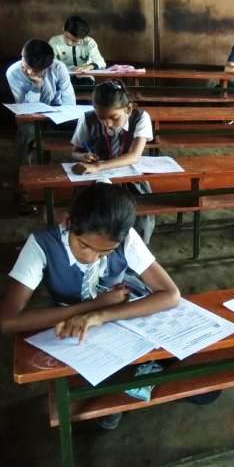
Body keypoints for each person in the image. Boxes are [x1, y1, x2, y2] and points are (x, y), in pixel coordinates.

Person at [0, 182, 181, 429]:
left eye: (105, 253)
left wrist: (101, 314)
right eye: (84, 245)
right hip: (71, 314)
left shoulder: (126, 237)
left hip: (118, 311)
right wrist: (92, 307)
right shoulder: (41, 244)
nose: (91, 257)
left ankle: (117, 395)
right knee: (66, 402)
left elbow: (171, 295)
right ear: (68, 222)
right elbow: (7, 322)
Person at [70, 81, 155, 243]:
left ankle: (135, 250)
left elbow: (134, 156)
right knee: (91, 217)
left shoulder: (141, 118)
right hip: (97, 180)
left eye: (114, 118)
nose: (107, 123)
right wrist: (83, 156)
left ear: (128, 109)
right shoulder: (87, 118)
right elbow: (74, 152)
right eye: (101, 118)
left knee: (140, 218)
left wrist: (98, 166)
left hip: (130, 179)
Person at [6, 39, 75, 214]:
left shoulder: (58, 68)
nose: (30, 72)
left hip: (58, 115)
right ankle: (25, 186)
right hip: (30, 117)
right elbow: (25, 108)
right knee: (26, 132)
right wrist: (36, 87)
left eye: (37, 71)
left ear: (48, 65)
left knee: (86, 128)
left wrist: (56, 107)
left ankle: (78, 185)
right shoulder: (13, 72)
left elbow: (69, 102)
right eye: (27, 67)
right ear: (22, 56)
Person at [49, 15, 106, 86]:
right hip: (62, 78)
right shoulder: (54, 42)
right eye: (66, 37)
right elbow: (50, 64)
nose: (69, 43)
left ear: (83, 38)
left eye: (74, 41)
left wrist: (89, 67)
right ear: (63, 29)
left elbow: (101, 62)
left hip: (85, 78)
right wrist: (70, 68)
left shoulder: (89, 42)